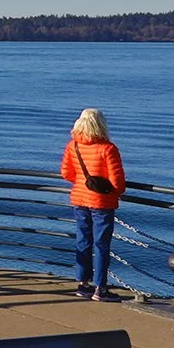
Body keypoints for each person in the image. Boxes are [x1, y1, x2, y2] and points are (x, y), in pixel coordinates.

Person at [60, 108, 126, 302]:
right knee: (101, 244)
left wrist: (82, 183)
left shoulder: (74, 146)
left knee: (83, 240)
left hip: (79, 199)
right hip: (101, 202)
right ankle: (101, 288)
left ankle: (83, 284)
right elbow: (117, 183)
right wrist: (109, 190)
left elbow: (66, 173)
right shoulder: (108, 148)